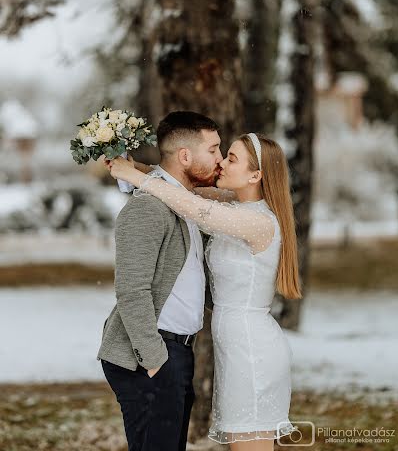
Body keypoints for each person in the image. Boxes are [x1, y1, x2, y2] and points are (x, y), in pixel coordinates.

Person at [107, 130, 302, 451]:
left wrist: (136, 179)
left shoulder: (260, 223)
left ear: (256, 175)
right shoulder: (237, 206)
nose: (222, 162)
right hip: (234, 346)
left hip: (251, 350)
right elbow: (182, 190)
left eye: (232, 158)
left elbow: (194, 208)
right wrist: (135, 168)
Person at [97, 111, 223, 451]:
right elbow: (131, 291)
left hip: (177, 351)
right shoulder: (149, 209)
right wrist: (153, 360)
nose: (220, 159)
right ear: (185, 156)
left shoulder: (182, 201)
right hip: (152, 354)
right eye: (213, 150)